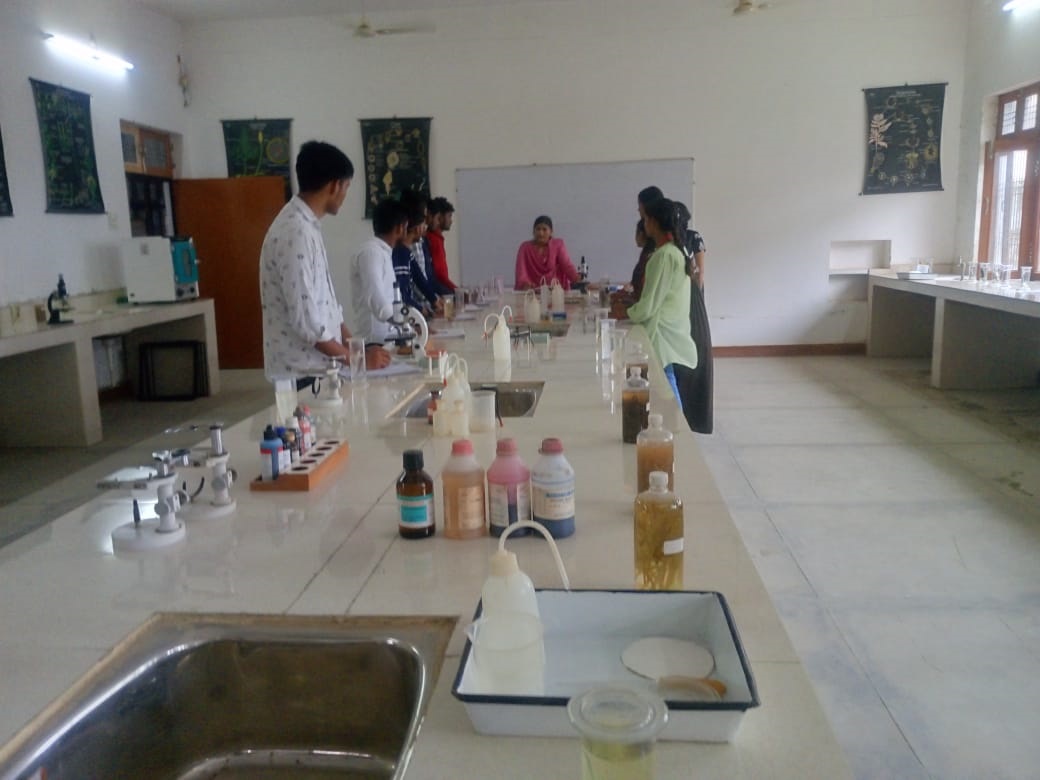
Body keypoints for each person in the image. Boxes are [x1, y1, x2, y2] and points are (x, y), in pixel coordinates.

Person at [260, 140, 390, 388]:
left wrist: (359, 351)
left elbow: (328, 309)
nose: (345, 196)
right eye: (347, 187)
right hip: (302, 375)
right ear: (335, 185)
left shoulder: (308, 226)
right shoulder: (295, 231)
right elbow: (308, 324)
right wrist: (358, 360)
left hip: (322, 369)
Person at [625, 197, 698, 413]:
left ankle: (677, 425)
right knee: (666, 381)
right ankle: (672, 421)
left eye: (646, 219)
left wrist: (628, 312)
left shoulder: (664, 256)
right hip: (671, 328)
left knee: (666, 384)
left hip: (661, 333)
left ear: (654, 222)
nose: (644, 223)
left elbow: (648, 306)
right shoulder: (674, 251)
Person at [674, 201, 713, 435]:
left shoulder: (692, 237)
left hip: (691, 296)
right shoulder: (670, 241)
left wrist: (694, 297)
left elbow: (700, 271)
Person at [351, 198, 409, 346]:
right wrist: (406, 324)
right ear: (399, 228)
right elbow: (376, 298)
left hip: (388, 339)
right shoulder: (371, 253)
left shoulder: (383, 252)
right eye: (406, 227)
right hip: (374, 344)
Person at [392, 193, 442, 318]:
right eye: (424, 221)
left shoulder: (407, 252)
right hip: (408, 316)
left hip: (414, 312)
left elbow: (420, 278)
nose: (426, 226)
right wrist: (423, 310)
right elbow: (402, 295)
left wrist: (435, 300)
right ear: (416, 226)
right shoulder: (399, 253)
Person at [514, 215, 579, 290]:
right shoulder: (525, 247)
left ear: (551, 232)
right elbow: (521, 271)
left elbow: (567, 265)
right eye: (538, 229)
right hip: (531, 292)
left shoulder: (558, 245)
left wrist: (577, 279)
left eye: (544, 229)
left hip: (555, 291)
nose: (541, 233)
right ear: (533, 232)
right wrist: (524, 284)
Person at [425, 196, 457, 294]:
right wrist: (456, 290)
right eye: (449, 216)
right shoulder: (433, 240)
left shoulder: (436, 238)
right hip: (439, 291)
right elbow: (439, 274)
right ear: (440, 217)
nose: (451, 221)